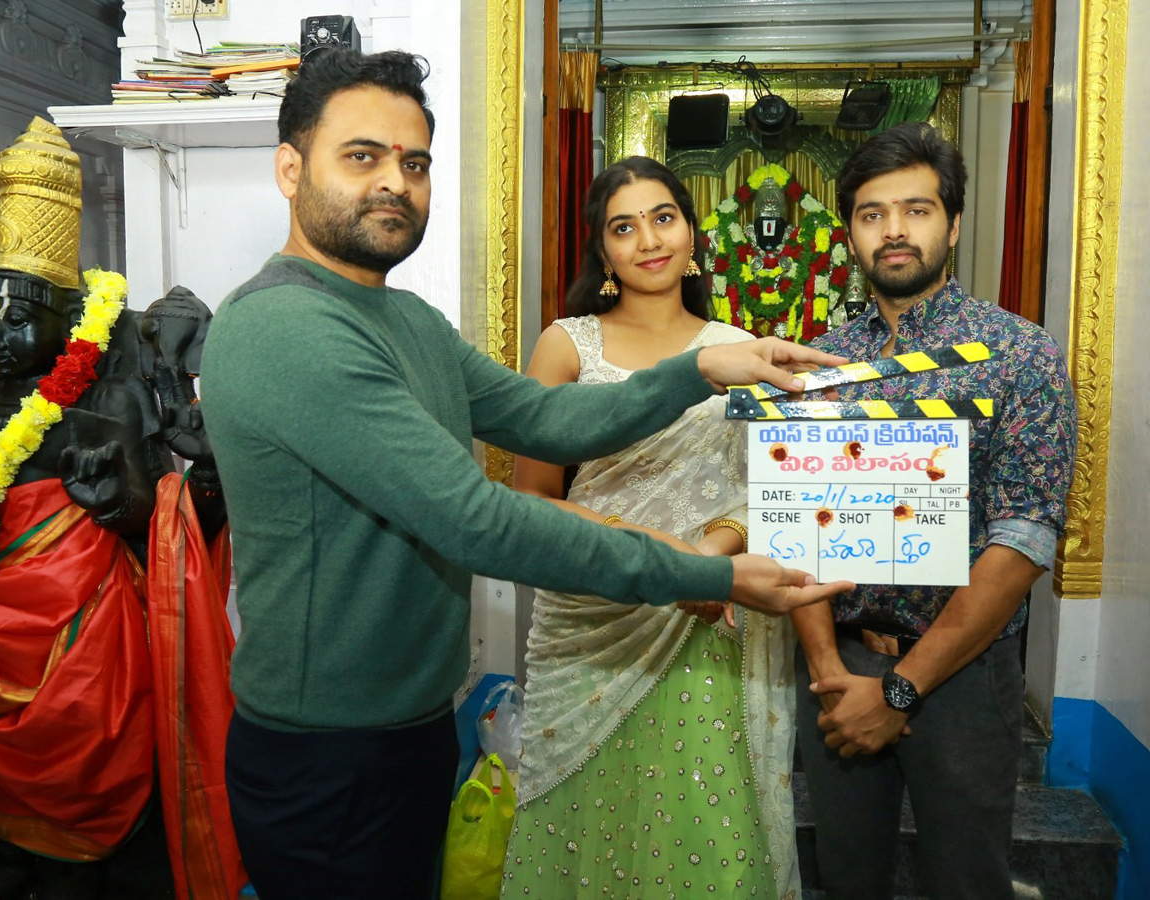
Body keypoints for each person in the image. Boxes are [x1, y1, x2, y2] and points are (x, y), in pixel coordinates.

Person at [200, 48, 852, 900]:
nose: (394, 182)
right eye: (361, 156)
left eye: (414, 162)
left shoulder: (405, 318)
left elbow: (546, 418)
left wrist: (702, 368)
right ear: (291, 169)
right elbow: (478, 521)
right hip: (326, 750)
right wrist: (710, 574)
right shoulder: (285, 325)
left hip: (409, 726)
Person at [0, 117, 242, 900]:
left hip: (88, 634)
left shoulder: (120, 373)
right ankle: (11, 853)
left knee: (92, 753)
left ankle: (86, 858)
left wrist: (124, 501)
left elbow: (180, 511)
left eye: (21, 319)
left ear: (68, 310)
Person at [791, 122, 1078, 900]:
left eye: (916, 210)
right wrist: (826, 671)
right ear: (850, 232)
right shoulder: (820, 365)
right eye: (872, 213)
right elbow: (798, 527)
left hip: (964, 674)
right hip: (841, 660)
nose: (894, 230)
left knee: (967, 880)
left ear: (952, 225)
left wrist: (902, 689)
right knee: (847, 880)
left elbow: (1023, 539)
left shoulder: (1019, 355)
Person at [501, 156, 799, 900]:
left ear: (692, 233)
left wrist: (709, 556)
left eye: (663, 218)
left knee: (702, 826)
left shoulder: (738, 348)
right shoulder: (568, 344)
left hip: (711, 611)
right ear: (603, 252)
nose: (648, 240)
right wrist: (658, 557)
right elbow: (531, 498)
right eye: (623, 227)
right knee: (587, 824)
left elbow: (768, 492)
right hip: (593, 618)